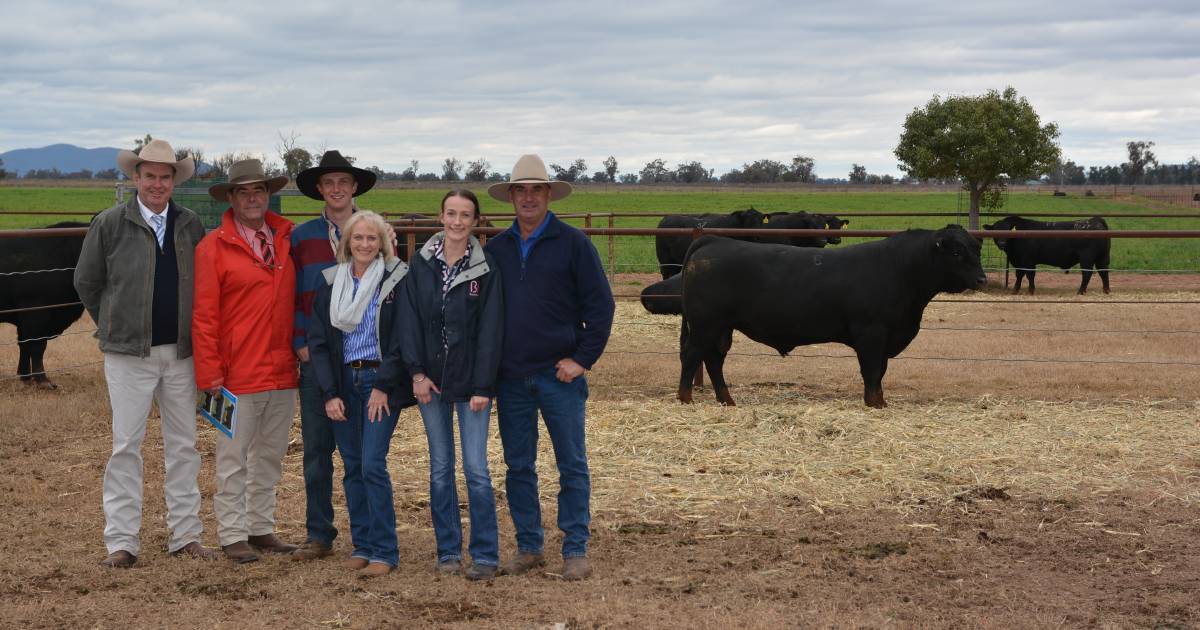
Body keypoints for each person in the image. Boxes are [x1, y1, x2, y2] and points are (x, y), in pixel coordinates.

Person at [73, 138, 216, 567]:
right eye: (149, 175)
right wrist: (115, 322)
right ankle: (121, 542)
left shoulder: (190, 225)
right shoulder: (111, 223)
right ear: (135, 178)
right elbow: (87, 282)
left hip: (181, 353)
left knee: (184, 445)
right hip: (127, 355)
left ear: (175, 181)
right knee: (126, 446)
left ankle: (186, 535)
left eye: (165, 176)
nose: (157, 183)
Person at [483, 155, 615, 580]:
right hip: (512, 376)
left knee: (571, 461)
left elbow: (601, 306)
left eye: (535, 189)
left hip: (559, 376)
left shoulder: (573, 243)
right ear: (510, 197)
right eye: (519, 190)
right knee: (518, 465)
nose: (527, 197)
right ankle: (529, 545)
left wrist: (581, 359)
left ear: (547, 194)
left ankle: (575, 546)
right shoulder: (496, 249)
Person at [192, 159, 300, 564]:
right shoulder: (213, 248)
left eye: (259, 190)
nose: (253, 198)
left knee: (270, 455)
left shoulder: (285, 240)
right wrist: (209, 373)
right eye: (244, 191)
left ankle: (260, 527)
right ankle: (233, 533)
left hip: (282, 370)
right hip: (235, 374)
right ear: (232, 198)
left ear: (268, 195)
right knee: (233, 457)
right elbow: (203, 316)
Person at [399, 190, 503, 580]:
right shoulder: (421, 265)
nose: (457, 222)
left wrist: (483, 385)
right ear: (440, 217)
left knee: (476, 469)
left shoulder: (485, 268)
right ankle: (448, 552)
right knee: (441, 468)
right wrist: (417, 374)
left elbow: (492, 331)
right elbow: (408, 323)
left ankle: (485, 555)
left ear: (475, 222)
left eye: (465, 216)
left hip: (472, 385)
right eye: (451, 214)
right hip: (431, 384)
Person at [307, 211, 414, 578]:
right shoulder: (331, 284)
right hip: (343, 385)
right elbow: (319, 343)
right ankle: (363, 544)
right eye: (358, 238)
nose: (365, 245)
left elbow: (402, 338)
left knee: (372, 464)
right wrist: (329, 393)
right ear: (346, 242)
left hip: (378, 384)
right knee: (352, 466)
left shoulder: (395, 282)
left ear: (382, 243)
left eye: (372, 239)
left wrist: (384, 384)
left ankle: (385, 550)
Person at [289, 150, 378, 561]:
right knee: (317, 449)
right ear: (320, 190)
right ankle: (319, 532)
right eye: (329, 183)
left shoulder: (373, 232)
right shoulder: (303, 237)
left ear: (355, 186)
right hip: (317, 357)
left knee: (363, 454)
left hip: (363, 360)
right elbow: (291, 295)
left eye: (344, 181)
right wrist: (299, 340)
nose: (337, 189)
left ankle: (370, 534)